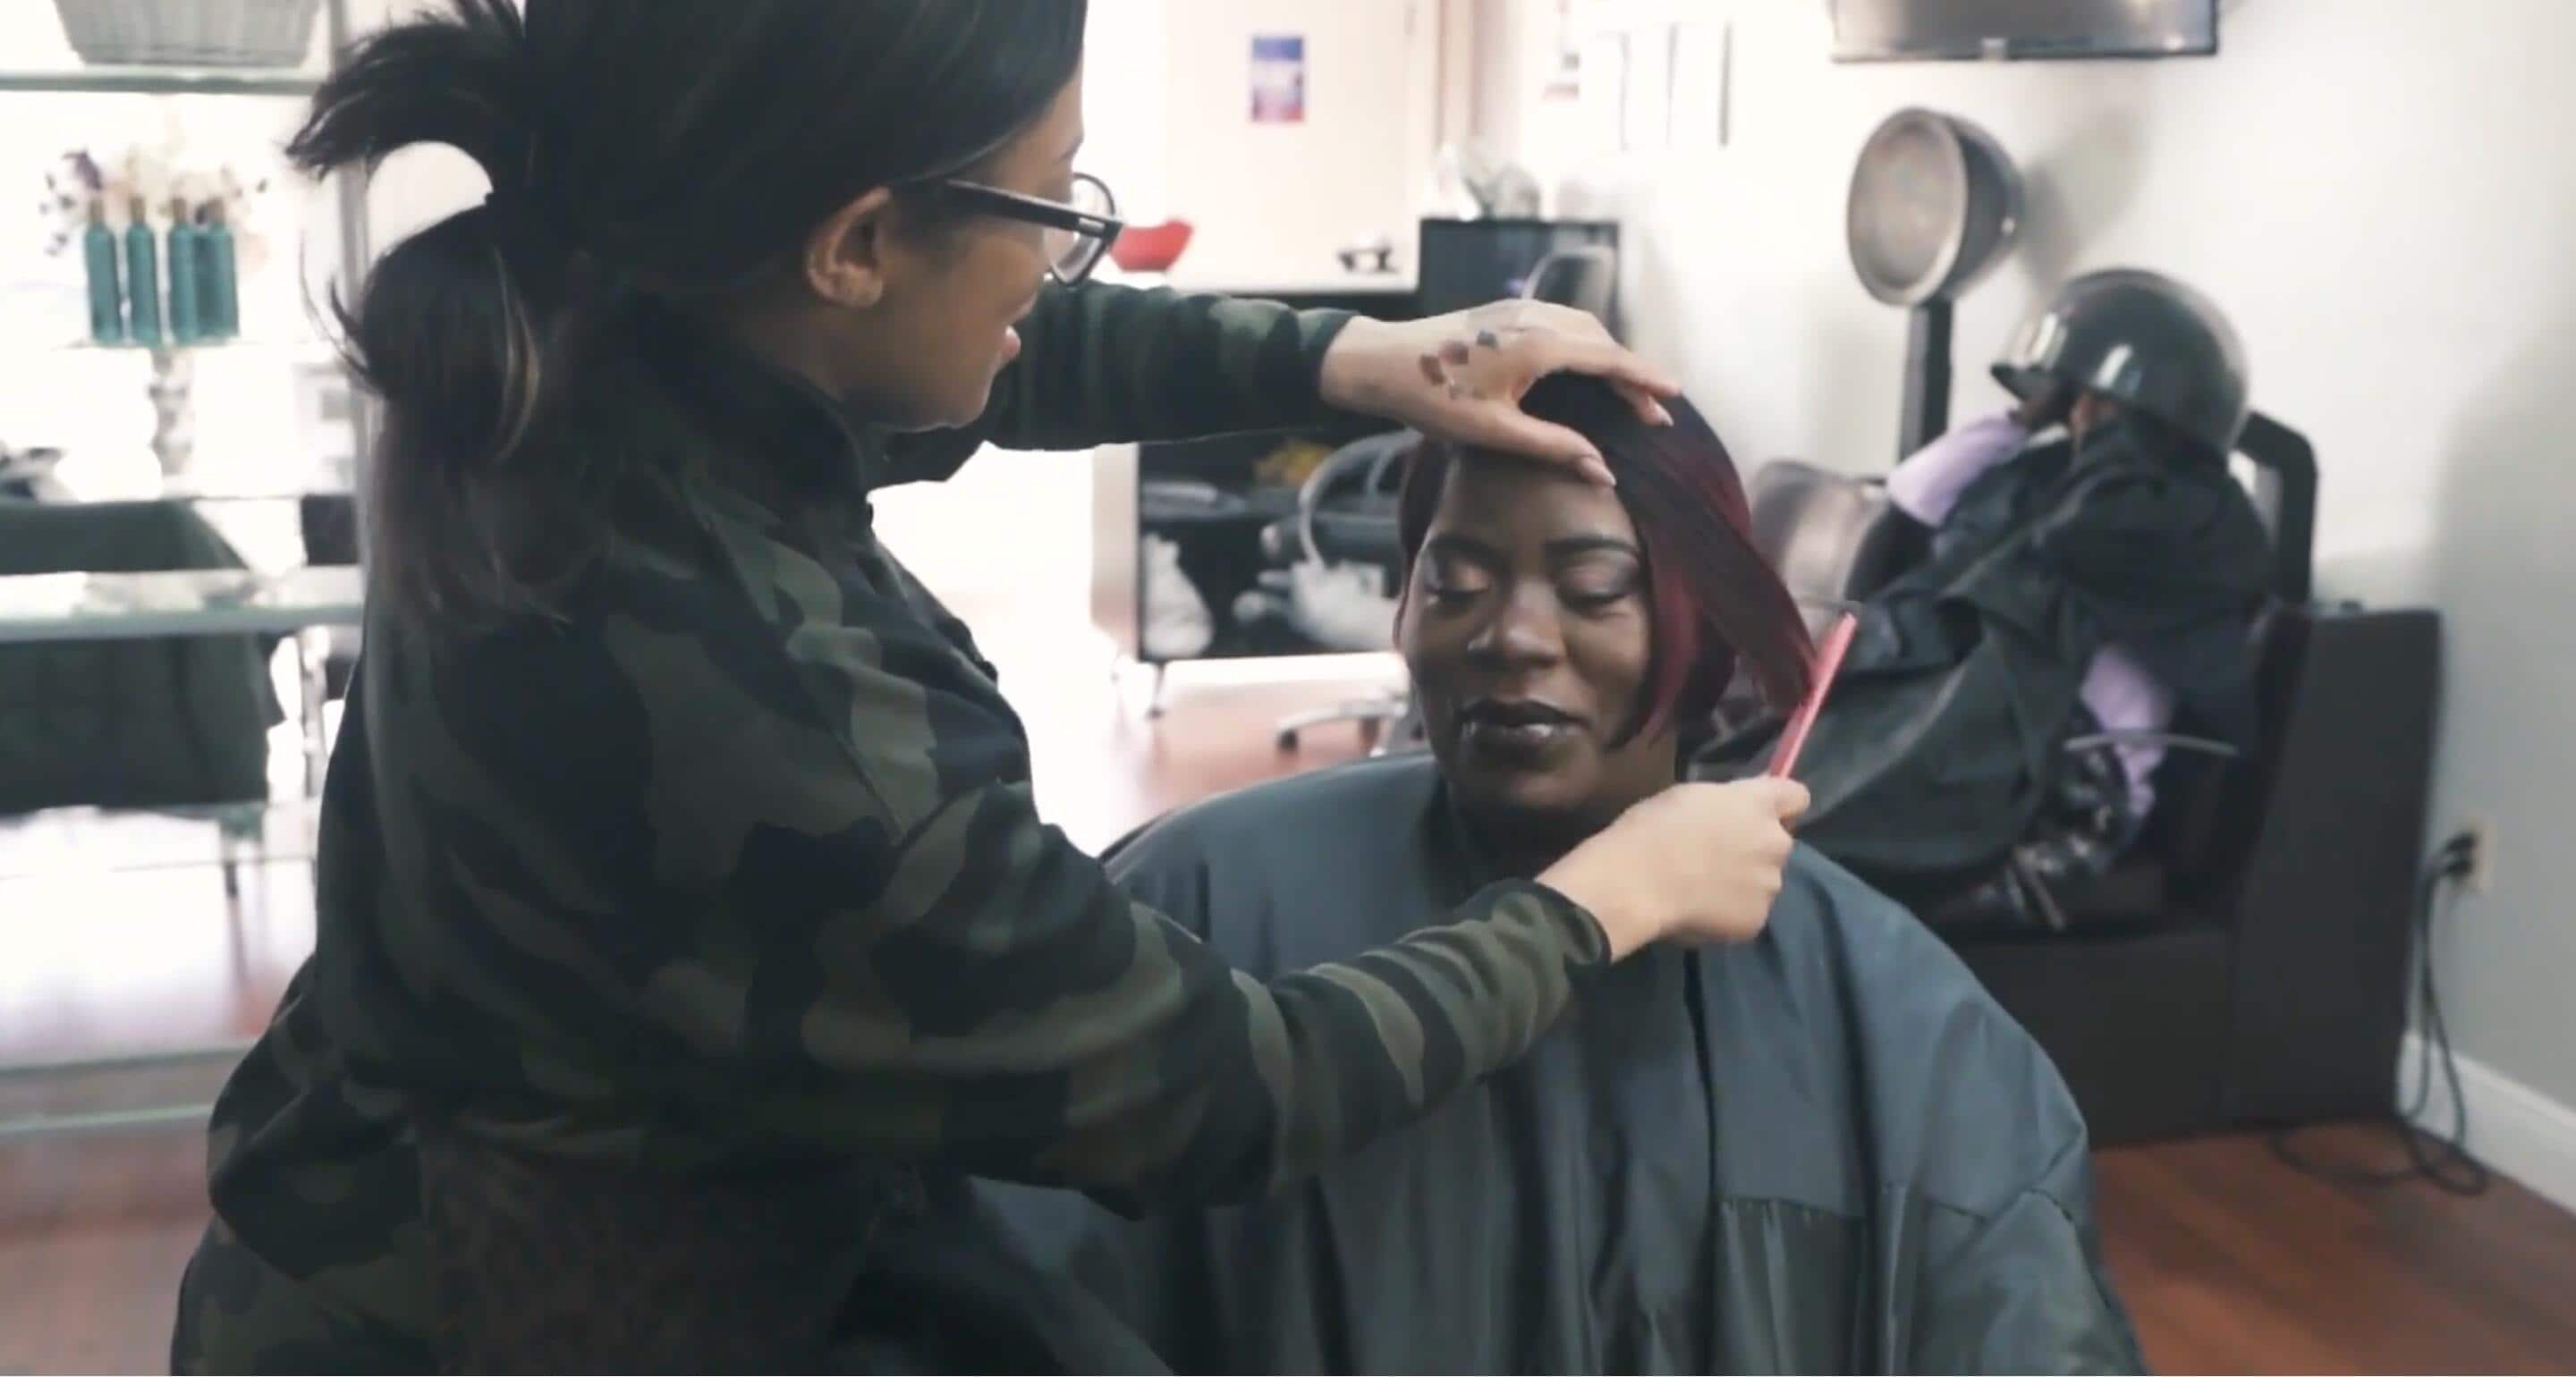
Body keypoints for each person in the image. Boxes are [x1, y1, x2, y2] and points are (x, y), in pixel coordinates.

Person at [165, 4, 1824, 1371]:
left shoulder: (599, 330)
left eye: (1593, 585)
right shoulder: (797, 725)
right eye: (1055, 209)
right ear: (857, 244)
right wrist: (1603, 899)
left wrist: (1353, 356)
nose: (1060, 268)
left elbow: (998, 348)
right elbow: (1225, 1092)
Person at [982, 376, 2144, 1373]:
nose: (1513, 635)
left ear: (1709, 630)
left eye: (1594, 589)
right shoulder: (1202, 900)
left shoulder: (1910, 1033)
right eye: (1456, 582)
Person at [1702, 268, 2275, 926]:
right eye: (2074, 398)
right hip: (1980, 736)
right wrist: (2022, 419)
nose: (2079, 415)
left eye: (2098, 404)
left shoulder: (2173, 523)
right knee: (1761, 802)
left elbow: (2081, 542)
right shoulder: (2055, 488)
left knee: (1801, 858)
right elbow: (1917, 492)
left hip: (2069, 785)